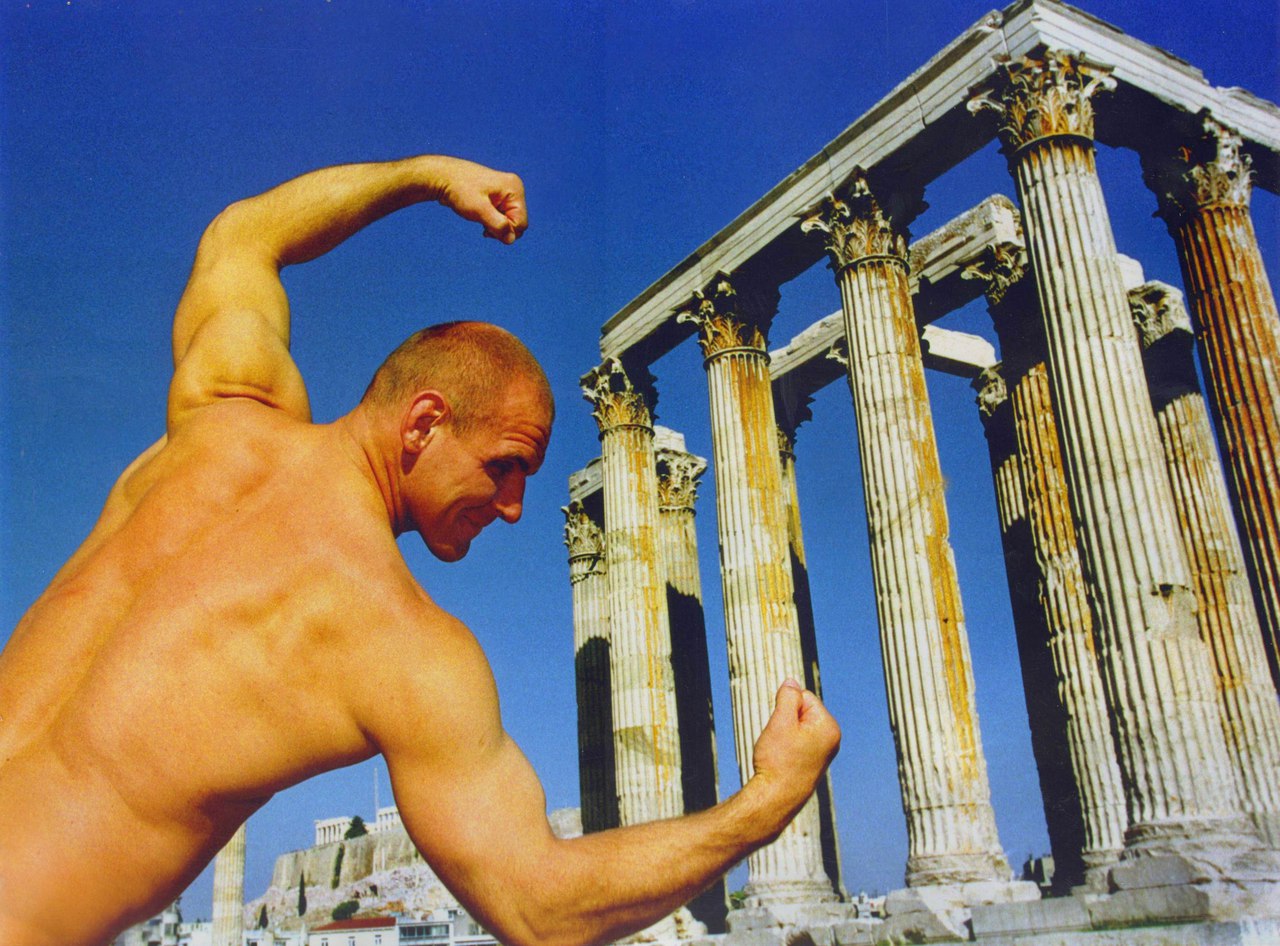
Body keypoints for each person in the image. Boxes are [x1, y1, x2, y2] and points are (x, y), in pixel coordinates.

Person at [0, 155, 840, 946]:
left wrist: (427, 176)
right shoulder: (392, 641)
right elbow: (539, 907)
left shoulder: (222, 413)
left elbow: (241, 236)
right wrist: (769, 800)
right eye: (504, 466)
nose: (513, 508)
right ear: (424, 422)